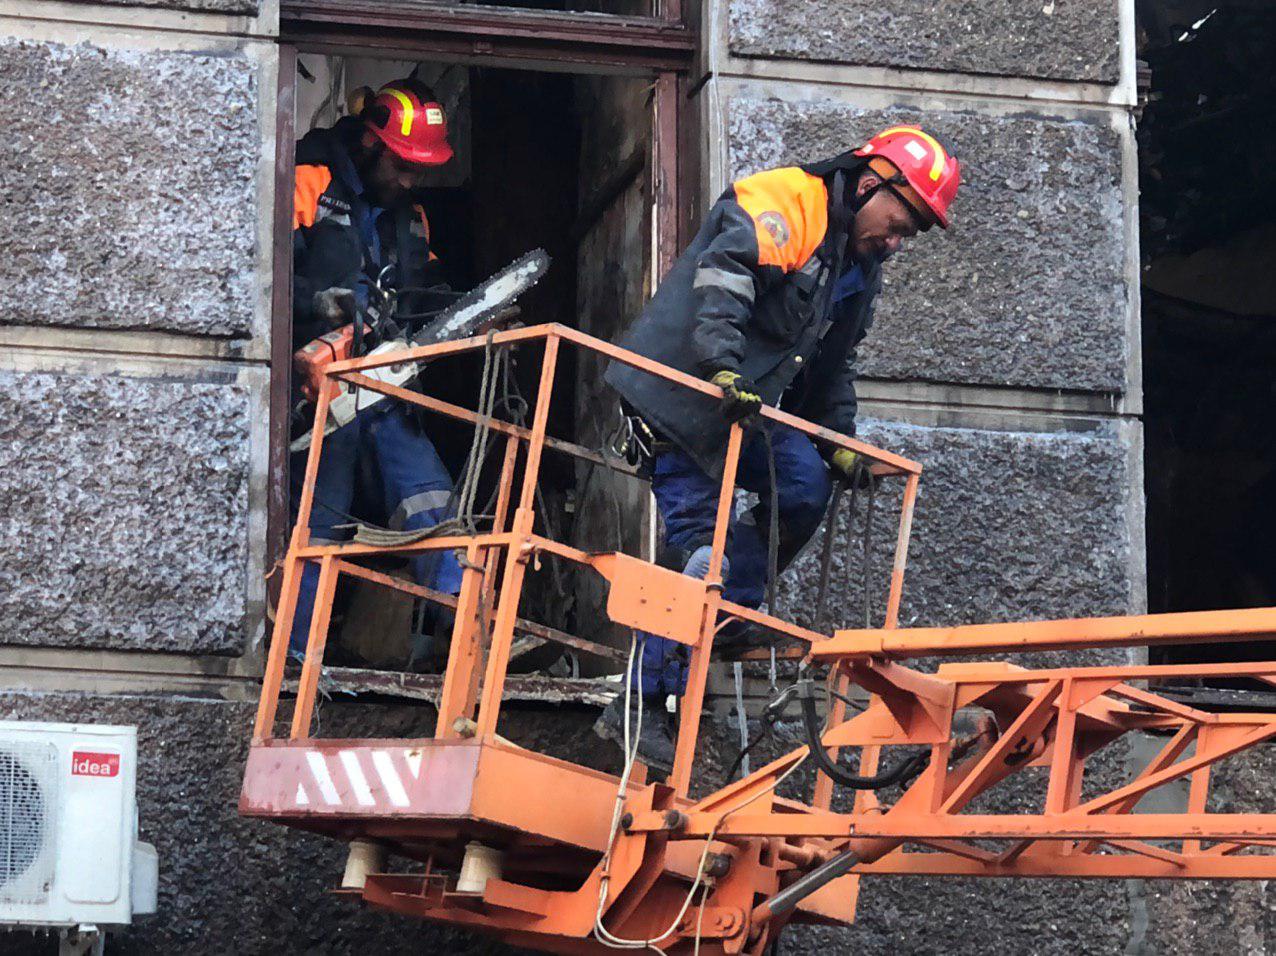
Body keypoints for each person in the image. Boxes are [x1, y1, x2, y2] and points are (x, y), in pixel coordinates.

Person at [598, 126, 962, 771]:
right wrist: (720, 366)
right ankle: (638, 701)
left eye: (910, 234)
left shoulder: (859, 265)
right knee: (704, 552)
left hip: (745, 406)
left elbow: (833, 363)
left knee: (804, 488)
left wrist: (840, 443)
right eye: (899, 223)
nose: (897, 241)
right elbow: (724, 281)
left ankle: (727, 611)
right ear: (871, 183)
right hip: (681, 398)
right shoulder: (786, 200)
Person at [288, 78, 464, 662]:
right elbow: (259, 273)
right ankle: (297, 655)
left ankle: (464, 624)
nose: (410, 180)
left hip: (386, 382)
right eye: (402, 165)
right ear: (370, 142)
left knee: (428, 489)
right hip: (317, 390)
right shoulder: (309, 179)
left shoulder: (411, 219)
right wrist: (317, 305)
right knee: (320, 518)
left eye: (419, 169)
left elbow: (424, 290)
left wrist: (467, 316)